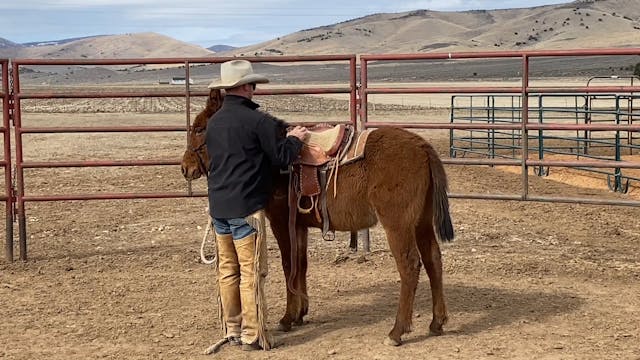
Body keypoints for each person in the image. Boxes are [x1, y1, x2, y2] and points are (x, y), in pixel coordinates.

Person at [204, 59, 308, 352]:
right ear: (247, 87)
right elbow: (281, 157)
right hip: (247, 209)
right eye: (253, 84)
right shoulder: (258, 121)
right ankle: (252, 334)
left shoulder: (213, 123)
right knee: (251, 271)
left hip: (219, 209)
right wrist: (295, 140)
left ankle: (232, 329)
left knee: (227, 270)